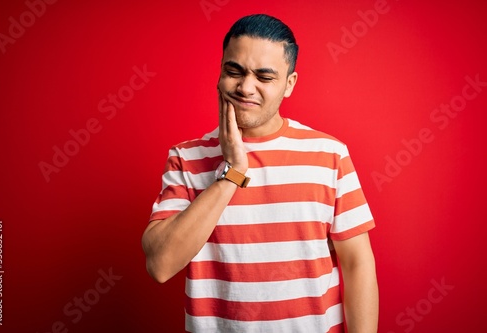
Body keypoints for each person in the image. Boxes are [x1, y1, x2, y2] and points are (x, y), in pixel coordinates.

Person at [142, 14, 378, 332]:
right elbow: (160, 264)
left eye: (264, 77)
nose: (245, 87)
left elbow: (357, 264)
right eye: (234, 71)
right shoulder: (186, 157)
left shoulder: (330, 155)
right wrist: (232, 172)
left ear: (289, 84)